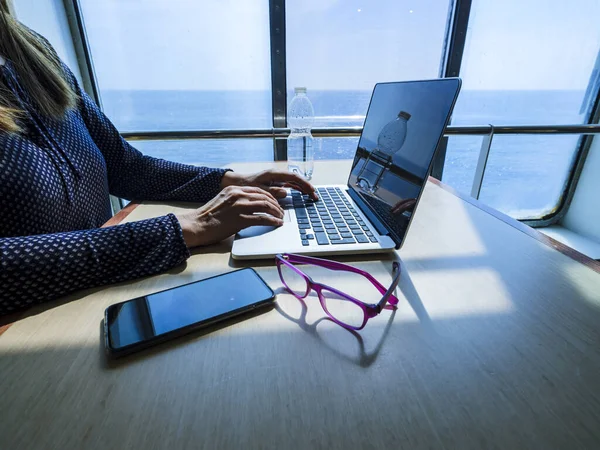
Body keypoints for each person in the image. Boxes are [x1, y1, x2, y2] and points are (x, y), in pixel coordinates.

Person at [0, 3, 316, 316]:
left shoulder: (34, 56)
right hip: (36, 329)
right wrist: (184, 228)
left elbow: (126, 168)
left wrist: (228, 180)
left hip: (104, 293)